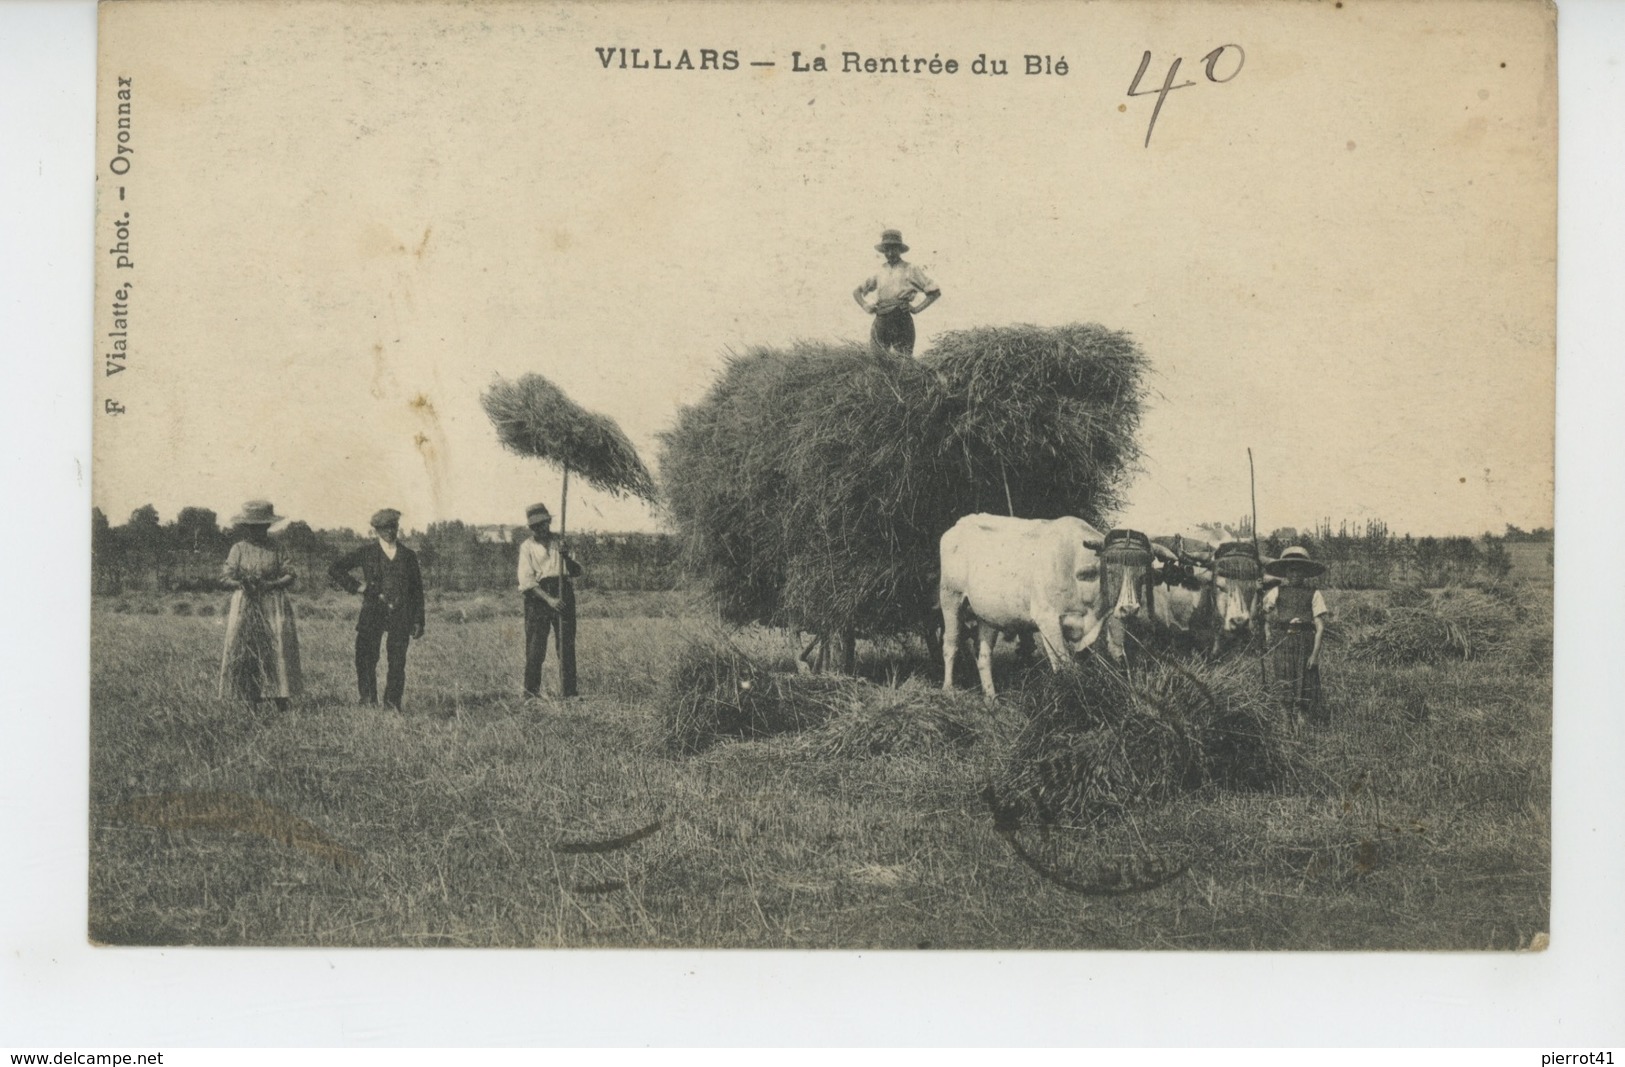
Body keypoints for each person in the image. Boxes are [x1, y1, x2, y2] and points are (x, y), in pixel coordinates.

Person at [328, 508, 425, 710]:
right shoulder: (367, 553)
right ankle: (368, 700)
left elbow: (417, 590)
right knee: (365, 657)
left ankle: (392, 704)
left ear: (398, 527)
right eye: (384, 528)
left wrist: (418, 620)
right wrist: (358, 587)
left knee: (397, 661)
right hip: (373, 612)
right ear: (376, 530)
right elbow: (335, 569)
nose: (390, 531)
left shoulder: (408, 556)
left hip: (401, 613)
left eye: (393, 526)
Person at [218, 500, 303, 710]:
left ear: (267, 527)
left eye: (261, 526)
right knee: (247, 649)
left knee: (277, 647)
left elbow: (290, 574)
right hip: (246, 603)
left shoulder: (276, 548)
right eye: (252, 527)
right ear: (246, 527)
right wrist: (242, 584)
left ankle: (280, 698)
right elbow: (225, 577)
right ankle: (249, 698)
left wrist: (271, 584)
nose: (257, 531)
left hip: (273, 602)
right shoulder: (238, 549)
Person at [517, 502, 583, 699]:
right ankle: (531, 694)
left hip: (563, 593)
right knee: (535, 649)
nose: (540, 528)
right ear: (531, 528)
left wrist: (566, 557)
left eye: (543, 524)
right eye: (535, 526)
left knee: (566, 647)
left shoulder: (561, 543)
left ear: (549, 522)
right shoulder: (527, 547)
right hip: (538, 597)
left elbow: (576, 571)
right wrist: (549, 600)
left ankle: (569, 693)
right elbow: (526, 581)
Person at [1261, 545, 1331, 723]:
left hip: (1305, 643)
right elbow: (1266, 612)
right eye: (1291, 571)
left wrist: (1315, 654)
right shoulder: (1277, 591)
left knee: (1305, 684)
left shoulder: (1314, 594)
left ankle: (1303, 727)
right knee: (1284, 681)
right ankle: (1286, 725)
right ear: (1285, 573)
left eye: (1299, 571)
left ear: (1305, 573)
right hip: (1283, 643)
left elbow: (1320, 627)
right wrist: (1270, 628)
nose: (1295, 575)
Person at [852, 229, 941, 356]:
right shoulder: (879, 271)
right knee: (878, 361)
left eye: (893, 249)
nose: (890, 253)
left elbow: (935, 292)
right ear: (883, 250)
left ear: (900, 249)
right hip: (881, 321)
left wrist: (916, 309)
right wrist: (866, 306)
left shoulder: (911, 269)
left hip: (901, 320)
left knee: (902, 363)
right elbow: (856, 292)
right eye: (886, 249)